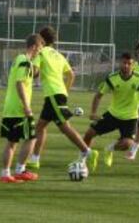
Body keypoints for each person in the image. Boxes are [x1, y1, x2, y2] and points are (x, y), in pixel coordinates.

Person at [27, 26, 98, 172]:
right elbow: (71, 74)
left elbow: (34, 73)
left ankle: (88, 152)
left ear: (41, 39)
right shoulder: (59, 55)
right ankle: (35, 160)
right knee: (40, 127)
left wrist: (29, 63)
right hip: (57, 95)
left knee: (65, 128)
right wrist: (65, 91)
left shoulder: (40, 53)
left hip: (53, 95)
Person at [83, 52, 139, 168]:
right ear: (120, 63)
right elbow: (98, 95)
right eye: (124, 63)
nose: (126, 66)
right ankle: (82, 160)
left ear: (133, 65)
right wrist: (93, 112)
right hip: (113, 114)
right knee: (88, 134)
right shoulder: (112, 78)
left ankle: (109, 149)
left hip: (130, 118)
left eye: (129, 63)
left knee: (127, 144)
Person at [0, 34, 43, 183]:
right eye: (39, 49)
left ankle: (6, 173)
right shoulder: (24, 61)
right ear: (34, 47)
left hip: (11, 107)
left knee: (12, 141)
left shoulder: (21, 60)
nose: (39, 52)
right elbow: (20, 83)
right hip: (18, 108)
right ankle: (19, 170)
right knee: (31, 138)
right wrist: (26, 106)